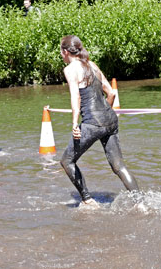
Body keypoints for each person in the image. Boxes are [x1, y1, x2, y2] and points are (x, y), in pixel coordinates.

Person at [59, 35, 139, 207]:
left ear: (65, 52)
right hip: (110, 119)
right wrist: (106, 115)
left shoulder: (71, 69)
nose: (61, 55)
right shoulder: (92, 65)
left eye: (61, 52)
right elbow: (111, 93)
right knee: (119, 166)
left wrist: (74, 124)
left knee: (66, 161)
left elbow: (76, 99)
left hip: (92, 122)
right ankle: (141, 204)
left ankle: (88, 201)